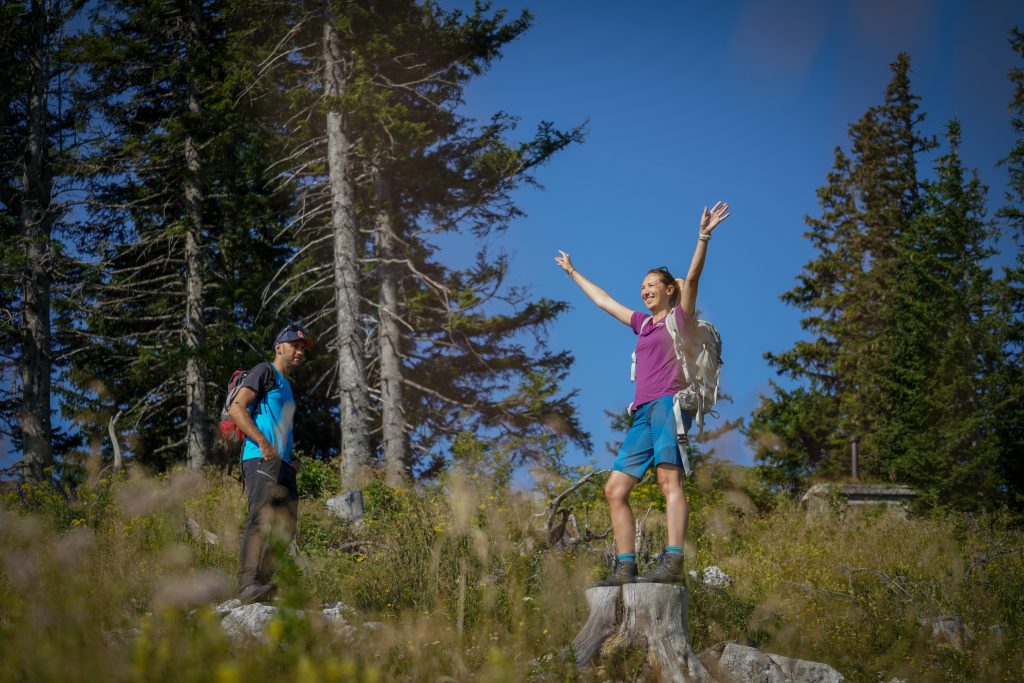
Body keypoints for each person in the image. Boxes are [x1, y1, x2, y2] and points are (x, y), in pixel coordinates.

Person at [554, 202, 730, 585]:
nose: (645, 291)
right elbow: (604, 301)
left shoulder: (678, 320)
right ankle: (626, 566)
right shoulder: (642, 324)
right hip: (643, 413)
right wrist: (573, 273)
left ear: (669, 290)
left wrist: (703, 236)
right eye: (642, 287)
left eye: (652, 286)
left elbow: (694, 279)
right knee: (615, 489)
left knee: (670, 482)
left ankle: (674, 561)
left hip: (669, 405)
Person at [229, 322, 313, 604]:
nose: (300, 351)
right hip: (259, 457)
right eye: (295, 346)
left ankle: (260, 586)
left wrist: (291, 458)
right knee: (261, 518)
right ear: (279, 347)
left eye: (303, 348)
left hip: (283, 464)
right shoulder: (265, 371)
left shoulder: (287, 385)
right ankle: (247, 585)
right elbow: (237, 408)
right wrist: (263, 443)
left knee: (286, 527)